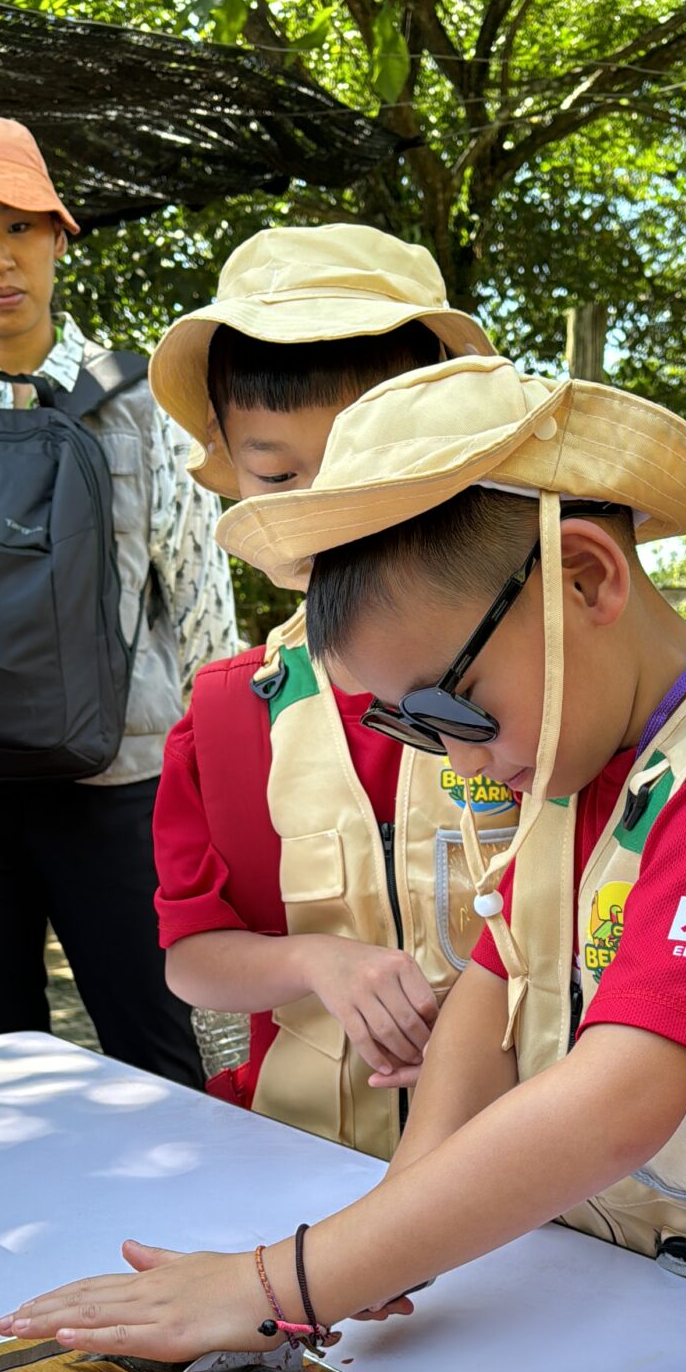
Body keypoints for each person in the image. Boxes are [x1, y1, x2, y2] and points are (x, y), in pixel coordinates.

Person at [0, 355, 686, 1358]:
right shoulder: (587, 749)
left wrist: (287, 1279)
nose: (459, 757)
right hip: (641, 1293)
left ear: (584, 577)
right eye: (411, 726)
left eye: (450, 707)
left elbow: (621, 1096)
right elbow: (497, 969)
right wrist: (403, 1212)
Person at [0, 110, 238, 1086]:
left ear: (60, 234)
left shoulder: (144, 401)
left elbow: (200, 608)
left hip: (118, 792)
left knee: (166, 1069)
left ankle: (188, 1247)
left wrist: (220, 786)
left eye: (18, 226)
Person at [146, 227, 517, 1157]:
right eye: (279, 475)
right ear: (229, 469)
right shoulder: (230, 714)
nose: (326, 515)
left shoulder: (546, 693)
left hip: (532, 1177)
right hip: (299, 1157)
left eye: (368, 468)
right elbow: (193, 955)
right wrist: (315, 959)